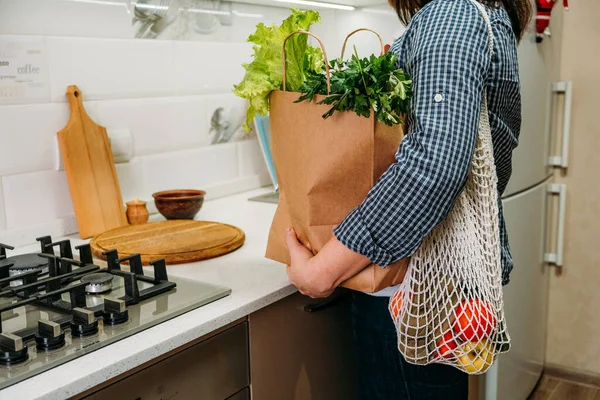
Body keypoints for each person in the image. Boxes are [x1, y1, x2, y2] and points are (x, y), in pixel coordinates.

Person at [284, 0, 532, 398]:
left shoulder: (451, 14)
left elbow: (433, 167)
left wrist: (322, 271)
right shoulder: (481, 14)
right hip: (440, 280)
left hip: (410, 285)